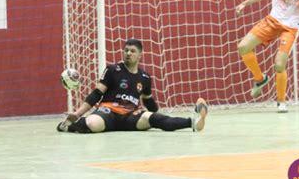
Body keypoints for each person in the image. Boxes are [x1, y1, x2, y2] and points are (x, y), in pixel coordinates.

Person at [57, 39, 208, 133]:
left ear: (140, 54)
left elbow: (149, 102)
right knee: (91, 123)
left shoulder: (145, 77)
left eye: (132, 51)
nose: (128, 53)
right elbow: (96, 93)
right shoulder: (112, 70)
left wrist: (156, 115)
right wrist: (77, 114)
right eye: (126, 50)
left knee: (154, 119)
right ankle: (68, 125)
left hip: (130, 116)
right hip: (108, 112)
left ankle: (193, 122)